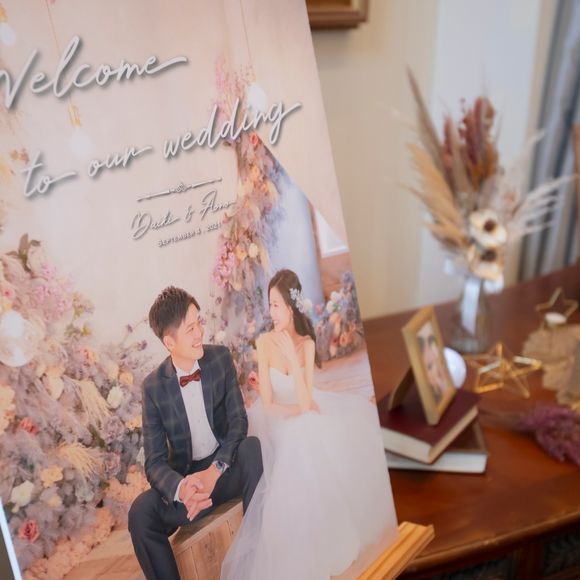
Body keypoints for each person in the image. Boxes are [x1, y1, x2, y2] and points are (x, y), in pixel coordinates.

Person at [221, 270, 397, 580]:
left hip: (301, 412)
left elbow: (305, 400)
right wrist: (294, 408)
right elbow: (271, 404)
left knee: (314, 432)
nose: (272, 312)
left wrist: (292, 359)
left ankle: (331, 532)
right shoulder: (263, 343)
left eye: (277, 305)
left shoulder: (306, 344)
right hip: (275, 420)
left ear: (291, 308)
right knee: (301, 431)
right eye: (270, 304)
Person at [128, 287, 263, 580]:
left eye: (199, 322)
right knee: (140, 513)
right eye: (190, 328)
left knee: (253, 449)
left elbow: (238, 421)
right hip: (190, 491)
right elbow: (154, 462)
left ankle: (257, 562)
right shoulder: (153, 388)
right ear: (169, 342)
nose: (200, 332)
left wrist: (215, 471)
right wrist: (182, 488)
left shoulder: (220, 358)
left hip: (224, 471)